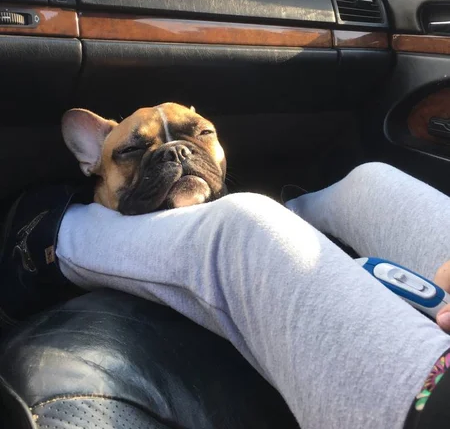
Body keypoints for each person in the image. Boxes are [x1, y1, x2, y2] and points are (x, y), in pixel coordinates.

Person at [2, 162, 450, 429]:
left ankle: (53, 243)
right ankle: (297, 218)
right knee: (371, 182)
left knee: (241, 227)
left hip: (431, 404)